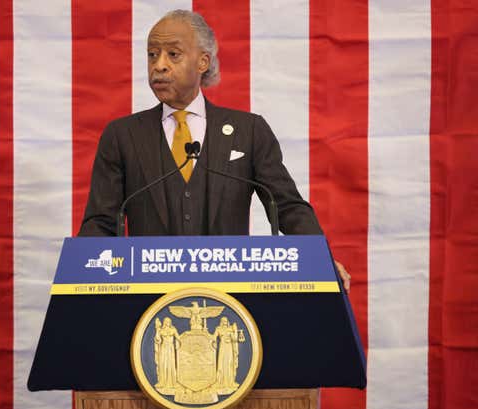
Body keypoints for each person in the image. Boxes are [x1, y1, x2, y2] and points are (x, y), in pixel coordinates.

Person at [78, 9, 351, 292]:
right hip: (148, 296)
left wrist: (322, 260)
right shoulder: (122, 135)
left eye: (173, 54)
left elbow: (287, 207)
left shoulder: (249, 131)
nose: (159, 65)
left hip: (231, 294)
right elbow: (100, 222)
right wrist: (81, 276)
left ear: (203, 62)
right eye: (152, 54)